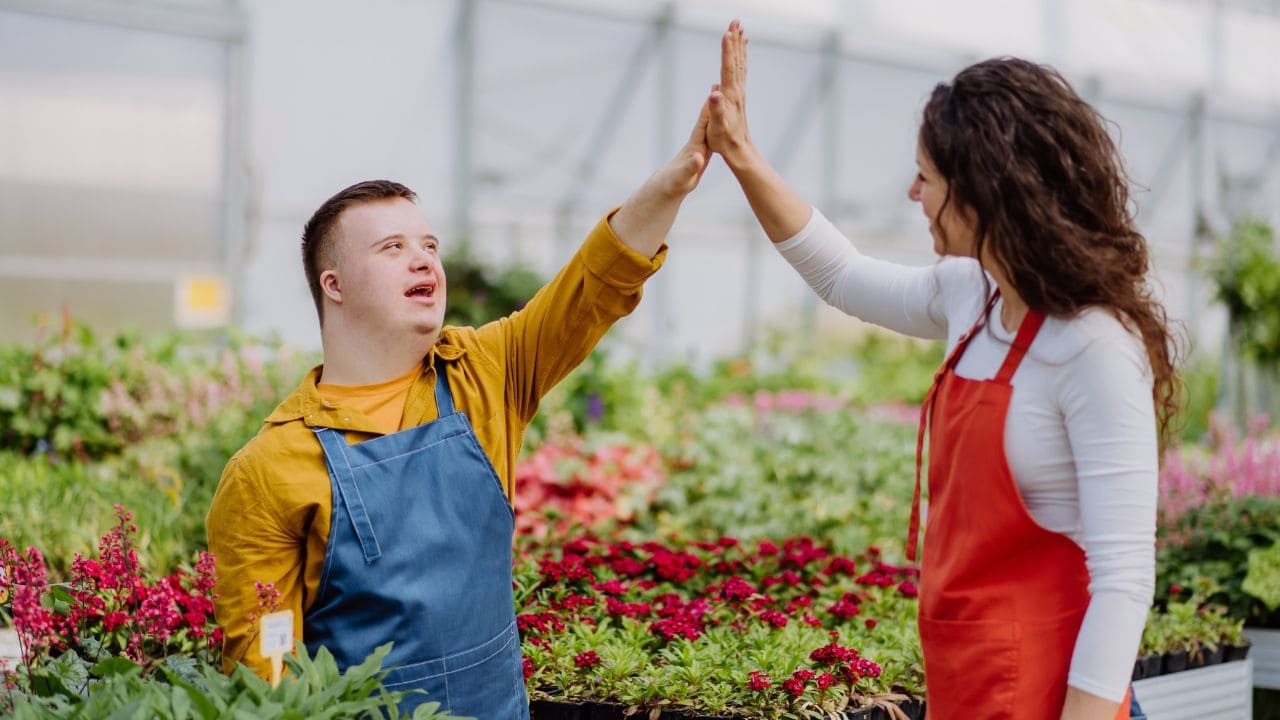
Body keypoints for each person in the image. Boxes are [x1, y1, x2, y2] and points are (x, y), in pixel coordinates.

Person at [704, 20, 1178, 720]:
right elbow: (840, 274)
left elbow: (1124, 582)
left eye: (926, 176)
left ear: (983, 191)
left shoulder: (1095, 349)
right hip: (967, 691)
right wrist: (740, 154)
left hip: (1057, 704)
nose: (911, 193)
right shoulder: (972, 296)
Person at [206, 102, 712, 718]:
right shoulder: (271, 468)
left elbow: (593, 288)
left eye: (429, 245)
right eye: (392, 248)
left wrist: (675, 181)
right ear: (333, 285)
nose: (424, 260)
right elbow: (267, 663)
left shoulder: (484, 375)